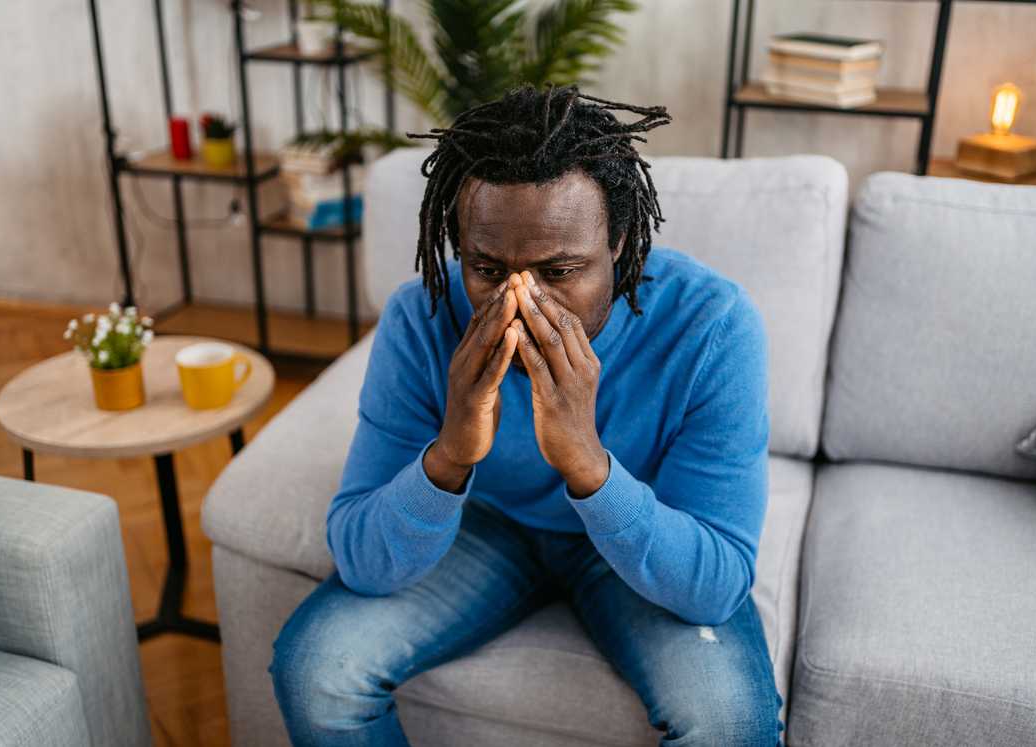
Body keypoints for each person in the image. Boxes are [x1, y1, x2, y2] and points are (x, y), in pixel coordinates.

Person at [268, 82, 783, 746]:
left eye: (561, 270)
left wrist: (588, 466)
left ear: (622, 241)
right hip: (486, 525)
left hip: (642, 521)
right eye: (487, 268)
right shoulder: (421, 317)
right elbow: (362, 557)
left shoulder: (714, 326)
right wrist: (448, 456)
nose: (519, 301)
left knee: (725, 718)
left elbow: (716, 582)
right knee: (315, 670)